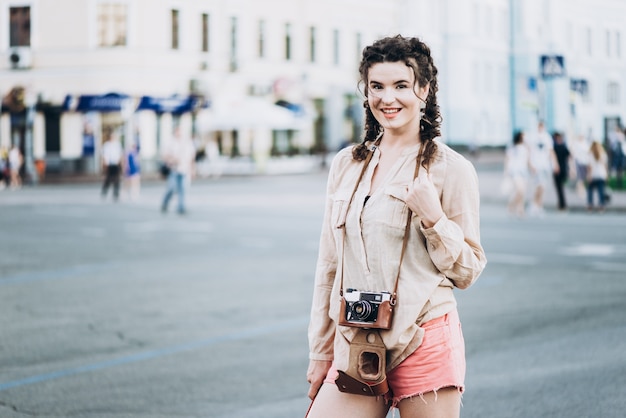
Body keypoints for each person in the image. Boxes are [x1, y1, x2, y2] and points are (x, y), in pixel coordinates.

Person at [306, 35, 487, 418]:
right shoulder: (347, 164)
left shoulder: (450, 169)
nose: (388, 98)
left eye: (401, 85)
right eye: (377, 87)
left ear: (424, 89)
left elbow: (468, 269)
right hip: (355, 342)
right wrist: (321, 352)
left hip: (424, 339)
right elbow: (328, 267)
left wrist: (434, 219)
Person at [161, 126, 196, 215]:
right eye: (177, 132)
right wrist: (172, 159)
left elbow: (192, 157)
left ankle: (181, 207)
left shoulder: (187, 143)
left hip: (184, 169)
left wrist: (192, 169)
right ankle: (165, 202)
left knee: (183, 189)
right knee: (171, 188)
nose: (179, 134)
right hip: (174, 169)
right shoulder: (170, 142)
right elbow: (165, 155)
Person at [526, 121, 556, 217]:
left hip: (544, 166)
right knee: (538, 186)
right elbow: (529, 151)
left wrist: (555, 164)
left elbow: (551, 151)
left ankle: (538, 205)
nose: (540, 128)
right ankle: (534, 205)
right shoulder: (533, 137)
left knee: (543, 187)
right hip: (536, 165)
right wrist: (530, 164)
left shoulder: (547, 137)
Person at [504, 131, 530, 218]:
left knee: (522, 192)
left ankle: (520, 209)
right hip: (515, 171)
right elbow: (507, 159)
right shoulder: (512, 147)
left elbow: (528, 160)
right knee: (520, 189)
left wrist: (532, 168)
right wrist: (506, 170)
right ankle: (511, 204)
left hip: (524, 171)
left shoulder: (525, 148)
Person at [551, 132, 572, 211]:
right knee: (561, 187)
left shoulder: (554, 147)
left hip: (557, 169)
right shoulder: (564, 146)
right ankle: (562, 203)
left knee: (559, 188)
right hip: (563, 169)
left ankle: (561, 204)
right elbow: (569, 156)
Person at [100, 130, 123, 201]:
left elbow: (120, 155)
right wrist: (104, 164)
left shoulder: (117, 144)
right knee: (108, 179)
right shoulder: (106, 145)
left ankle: (116, 193)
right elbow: (104, 155)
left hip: (116, 164)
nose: (112, 137)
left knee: (117, 179)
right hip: (109, 164)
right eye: (111, 136)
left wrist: (121, 163)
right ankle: (104, 191)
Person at [586, 140, 608, 212]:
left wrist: (589, 175)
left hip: (593, 175)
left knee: (590, 191)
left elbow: (590, 167)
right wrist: (606, 174)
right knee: (601, 191)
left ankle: (590, 205)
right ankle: (601, 206)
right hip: (601, 174)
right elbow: (605, 166)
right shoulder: (603, 154)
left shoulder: (590, 154)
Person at [569, 134, 591, 198]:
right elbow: (573, 155)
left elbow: (588, 154)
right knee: (580, 179)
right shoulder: (576, 144)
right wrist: (572, 167)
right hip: (579, 162)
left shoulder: (585, 144)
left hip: (585, 163)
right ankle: (581, 192)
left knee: (583, 179)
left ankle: (581, 190)